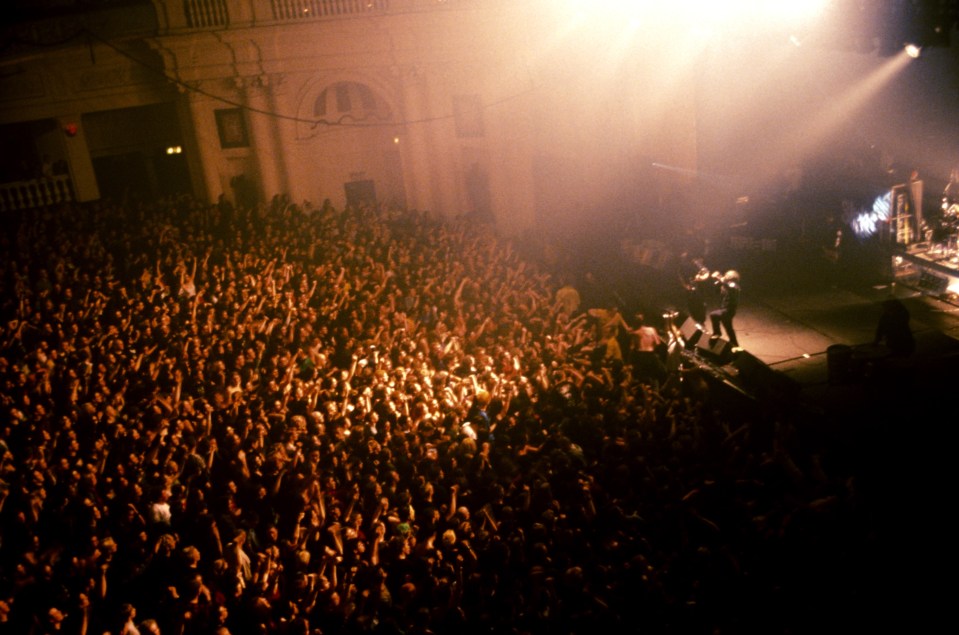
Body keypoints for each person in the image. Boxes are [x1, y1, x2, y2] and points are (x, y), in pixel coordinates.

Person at [709, 270, 741, 350]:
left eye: (727, 275)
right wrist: (717, 282)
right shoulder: (727, 285)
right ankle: (735, 345)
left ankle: (717, 332)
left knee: (713, 315)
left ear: (732, 277)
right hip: (725, 309)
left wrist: (719, 277)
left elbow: (729, 287)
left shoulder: (734, 285)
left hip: (728, 310)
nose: (725, 275)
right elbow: (718, 292)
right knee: (728, 328)